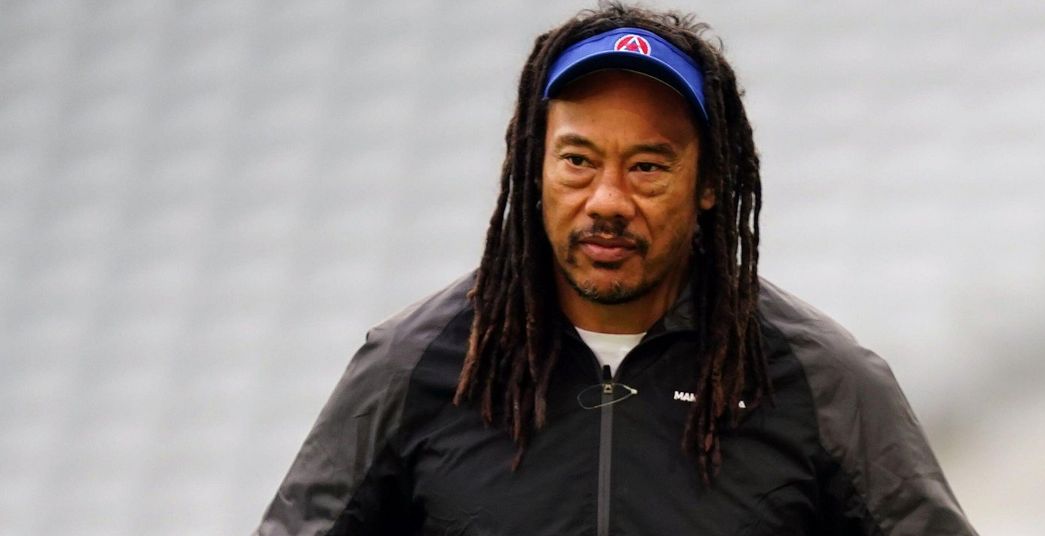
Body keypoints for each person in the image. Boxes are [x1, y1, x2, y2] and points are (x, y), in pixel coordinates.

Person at [255, 4, 977, 535]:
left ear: (708, 182)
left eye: (648, 166)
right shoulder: (412, 367)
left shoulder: (822, 382)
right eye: (578, 160)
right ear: (534, 166)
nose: (607, 200)